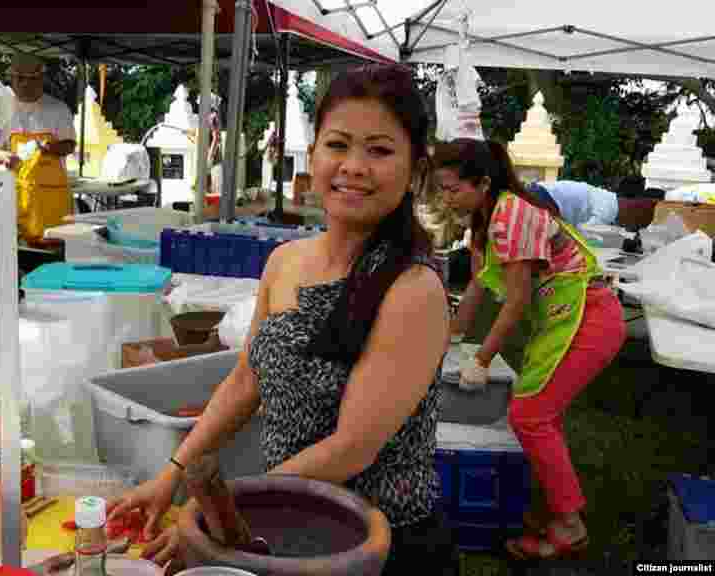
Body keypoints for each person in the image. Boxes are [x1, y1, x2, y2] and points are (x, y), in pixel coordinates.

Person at [108, 64, 455, 573]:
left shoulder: (412, 288)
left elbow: (351, 449)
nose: (354, 166)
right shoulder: (286, 262)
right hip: (289, 525)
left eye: (379, 150)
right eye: (337, 145)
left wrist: (216, 522)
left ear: (414, 173)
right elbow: (247, 378)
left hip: (379, 546)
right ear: (312, 156)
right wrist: (172, 476)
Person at [435, 138, 627, 560]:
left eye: (452, 189)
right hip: (566, 315)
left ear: (482, 183)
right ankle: (559, 508)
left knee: (530, 415)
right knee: (540, 413)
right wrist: (447, 340)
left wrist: (482, 359)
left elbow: (518, 299)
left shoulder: (513, 215)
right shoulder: (486, 221)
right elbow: (476, 288)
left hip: (588, 315)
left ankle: (570, 526)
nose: (446, 198)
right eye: (442, 189)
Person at [0, 53, 76, 170]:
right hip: (10, 183)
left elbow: (69, 145)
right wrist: (2, 155)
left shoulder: (58, 109)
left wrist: (46, 148)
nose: (26, 84)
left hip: (48, 184)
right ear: (11, 78)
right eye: (20, 78)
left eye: (32, 78)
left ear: (42, 79)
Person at [525, 180, 619, 229]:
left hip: (540, 191)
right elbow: (586, 233)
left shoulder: (607, 197)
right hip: (544, 196)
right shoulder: (610, 208)